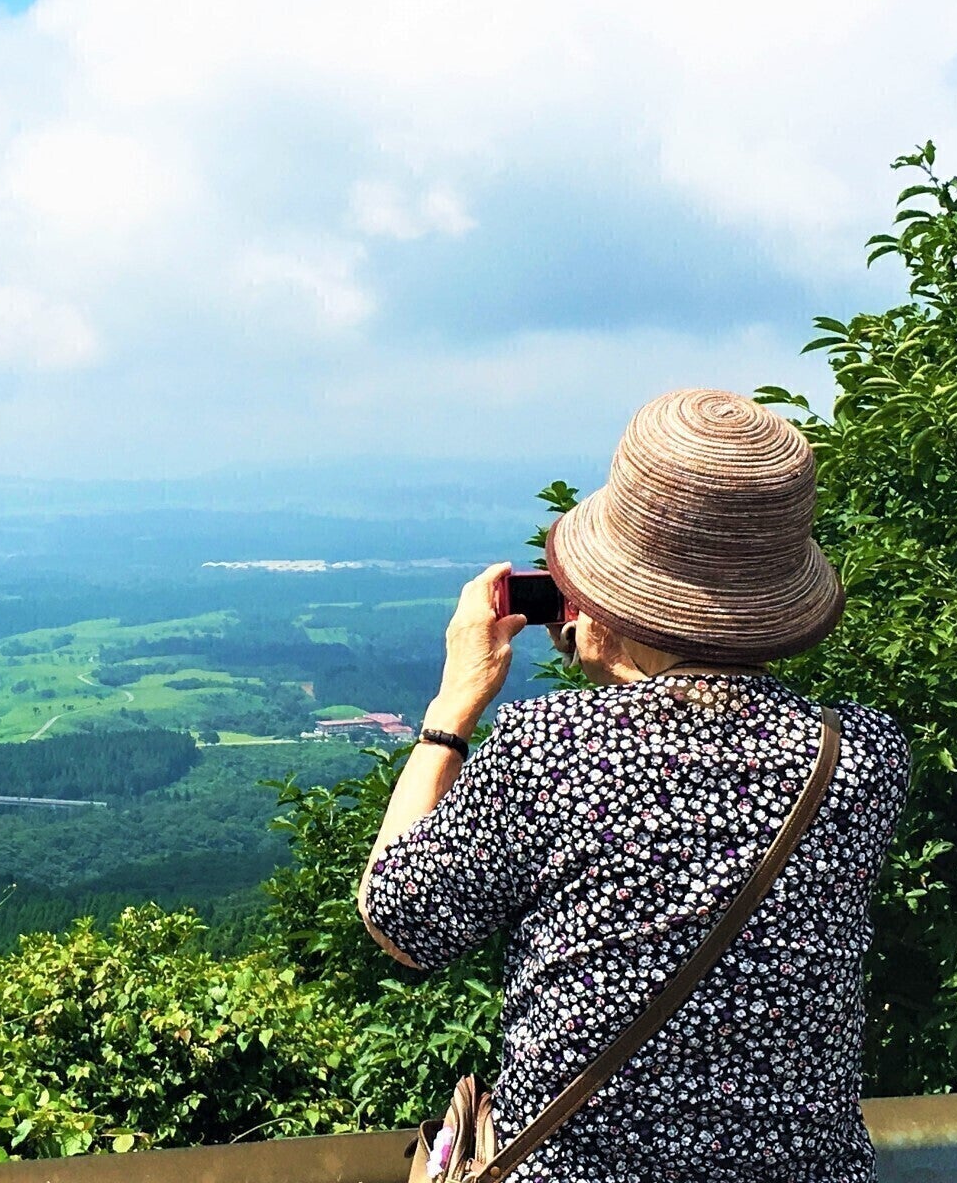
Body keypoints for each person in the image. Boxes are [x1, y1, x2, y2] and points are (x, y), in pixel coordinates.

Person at [356, 388, 909, 1183]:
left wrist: (453, 708)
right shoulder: (861, 753)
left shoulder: (547, 748)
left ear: (612, 597)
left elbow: (403, 922)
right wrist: (620, 647)